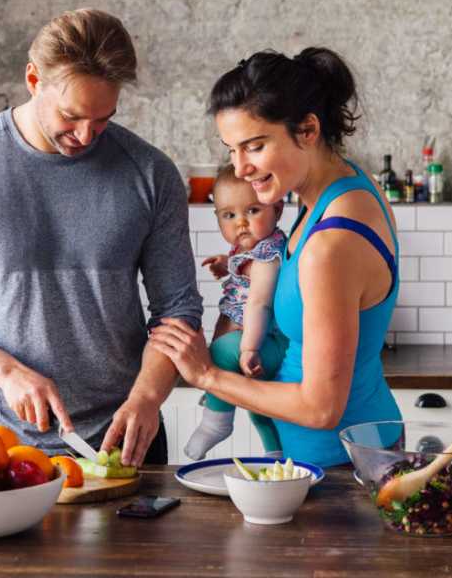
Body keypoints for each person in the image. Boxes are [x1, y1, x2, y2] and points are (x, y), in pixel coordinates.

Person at [0, 9, 203, 467]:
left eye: (102, 119)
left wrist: (147, 398)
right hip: (3, 450)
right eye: (72, 115)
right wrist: (7, 373)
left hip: (125, 447)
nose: (86, 135)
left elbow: (177, 311)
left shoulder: (150, 174)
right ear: (33, 79)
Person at [149, 47, 402, 467]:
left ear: (307, 130)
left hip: (341, 468)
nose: (240, 168)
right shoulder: (345, 185)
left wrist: (207, 375)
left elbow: (321, 408)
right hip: (353, 450)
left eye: (255, 146)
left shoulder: (330, 244)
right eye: (232, 150)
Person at [183, 163, 288, 460]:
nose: (241, 222)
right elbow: (243, 264)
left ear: (277, 210)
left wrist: (248, 348)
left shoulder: (268, 256)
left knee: (218, 352)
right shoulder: (254, 247)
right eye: (229, 215)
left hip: (269, 340)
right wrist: (225, 263)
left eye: (252, 211)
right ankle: (277, 456)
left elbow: (259, 303)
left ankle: (216, 422)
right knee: (260, 408)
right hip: (259, 337)